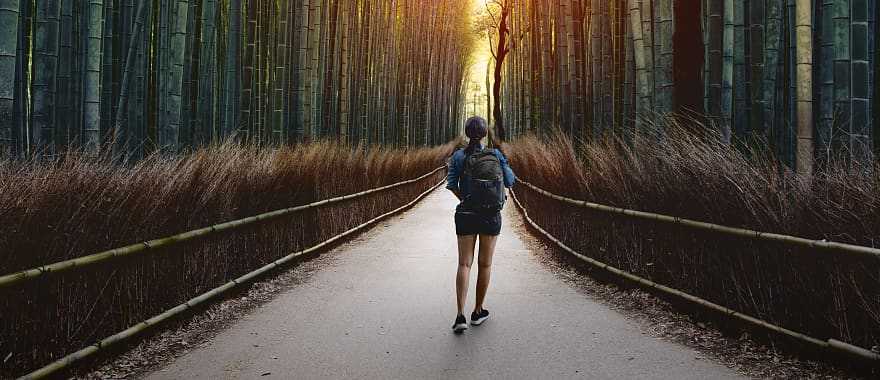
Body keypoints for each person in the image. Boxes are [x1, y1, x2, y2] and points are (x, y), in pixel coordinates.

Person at [445, 116, 516, 333]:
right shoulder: (495, 154)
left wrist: (466, 200)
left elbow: (451, 184)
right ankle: (478, 311)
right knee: (485, 265)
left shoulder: (458, 156)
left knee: (464, 264)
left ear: (467, 133)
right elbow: (511, 181)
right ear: (485, 134)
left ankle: (460, 316)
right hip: (490, 216)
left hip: (466, 214)